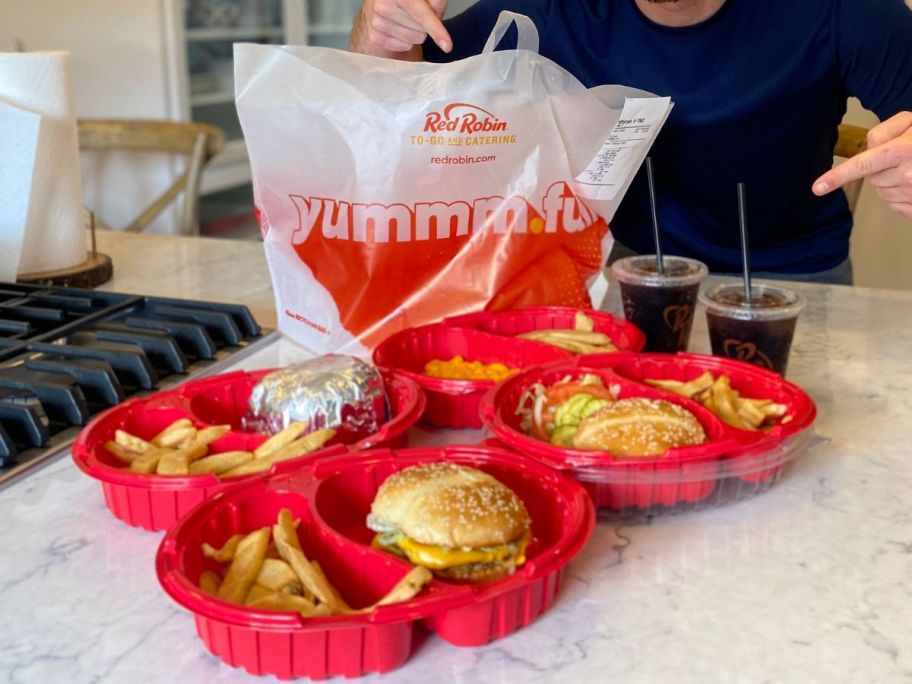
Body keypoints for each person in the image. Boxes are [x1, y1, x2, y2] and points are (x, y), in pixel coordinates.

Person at [350, 0, 912, 285]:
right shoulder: (551, 6)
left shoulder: (844, 9)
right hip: (615, 280)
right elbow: (394, 105)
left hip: (790, 282)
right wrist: (380, 37)